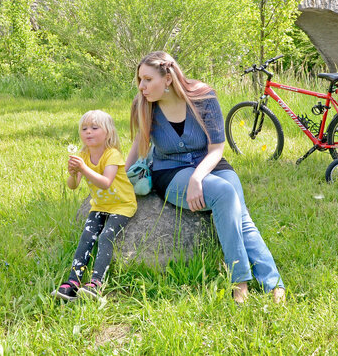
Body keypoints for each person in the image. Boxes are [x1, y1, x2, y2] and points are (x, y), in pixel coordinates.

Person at [126, 51, 285, 304]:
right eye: (140, 80)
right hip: (170, 170)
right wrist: (122, 178)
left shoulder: (203, 97)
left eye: (147, 79)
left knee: (240, 213)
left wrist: (197, 178)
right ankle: (240, 281)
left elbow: (216, 149)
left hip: (210, 163)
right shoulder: (143, 104)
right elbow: (139, 145)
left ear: (167, 78)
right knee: (224, 194)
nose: (141, 87)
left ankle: (273, 282)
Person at [52, 110, 137, 302]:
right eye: (84, 128)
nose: (88, 132)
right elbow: (73, 186)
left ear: (108, 132)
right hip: (99, 205)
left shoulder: (112, 155)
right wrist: (74, 173)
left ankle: (96, 284)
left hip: (121, 205)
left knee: (106, 236)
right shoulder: (84, 154)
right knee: (87, 236)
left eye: (94, 128)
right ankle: (72, 282)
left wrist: (83, 168)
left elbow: (106, 182)